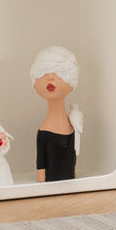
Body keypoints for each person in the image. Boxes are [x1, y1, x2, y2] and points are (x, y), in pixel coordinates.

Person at [30, 45, 84, 183]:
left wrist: (74, 176)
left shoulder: (71, 125)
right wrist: (42, 185)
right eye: (43, 73)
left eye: (59, 73)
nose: (50, 77)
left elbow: (72, 156)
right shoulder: (44, 133)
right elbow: (40, 163)